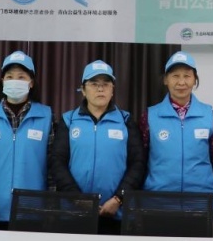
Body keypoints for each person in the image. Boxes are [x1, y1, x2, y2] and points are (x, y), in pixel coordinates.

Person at [140, 52, 213, 238]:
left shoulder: (210, 117)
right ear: (165, 80)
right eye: (175, 76)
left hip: (200, 204)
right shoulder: (149, 117)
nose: (181, 82)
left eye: (187, 76)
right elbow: (139, 164)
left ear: (195, 80)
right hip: (158, 203)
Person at [49, 60, 145, 235]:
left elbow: (138, 163)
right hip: (73, 213)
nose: (100, 89)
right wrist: (77, 199)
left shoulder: (125, 120)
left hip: (116, 214)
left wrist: (118, 199)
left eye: (106, 84)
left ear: (112, 89)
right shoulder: (68, 120)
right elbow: (57, 162)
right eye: (94, 84)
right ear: (83, 90)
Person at [0, 51, 53, 230]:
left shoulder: (47, 116)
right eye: (10, 77)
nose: (15, 81)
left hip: (33, 210)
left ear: (31, 82)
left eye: (21, 77)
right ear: (2, 81)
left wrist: (51, 206)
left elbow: (53, 167)